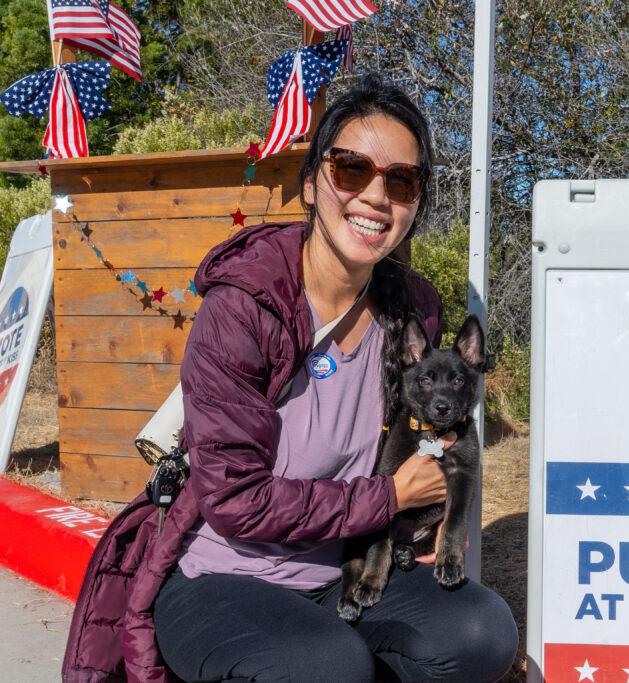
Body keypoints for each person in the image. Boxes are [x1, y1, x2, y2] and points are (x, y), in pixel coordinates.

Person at [62, 74, 518, 682]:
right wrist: (389, 498)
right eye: (352, 169)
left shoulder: (414, 311)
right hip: (224, 577)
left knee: (481, 632)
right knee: (328, 664)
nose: (377, 197)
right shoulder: (244, 308)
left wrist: (427, 515)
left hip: (344, 569)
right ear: (310, 184)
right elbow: (234, 500)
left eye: (401, 181)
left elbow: (429, 442)